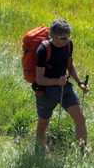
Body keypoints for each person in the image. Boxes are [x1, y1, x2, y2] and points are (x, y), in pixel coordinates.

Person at [33, 19, 89, 148]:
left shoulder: (68, 45)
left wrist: (80, 83)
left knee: (81, 118)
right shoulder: (43, 50)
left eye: (68, 36)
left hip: (65, 88)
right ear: (52, 36)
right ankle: (40, 149)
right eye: (63, 37)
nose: (66, 40)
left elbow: (69, 65)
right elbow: (39, 79)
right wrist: (56, 81)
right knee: (43, 122)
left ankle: (82, 151)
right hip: (46, 91)